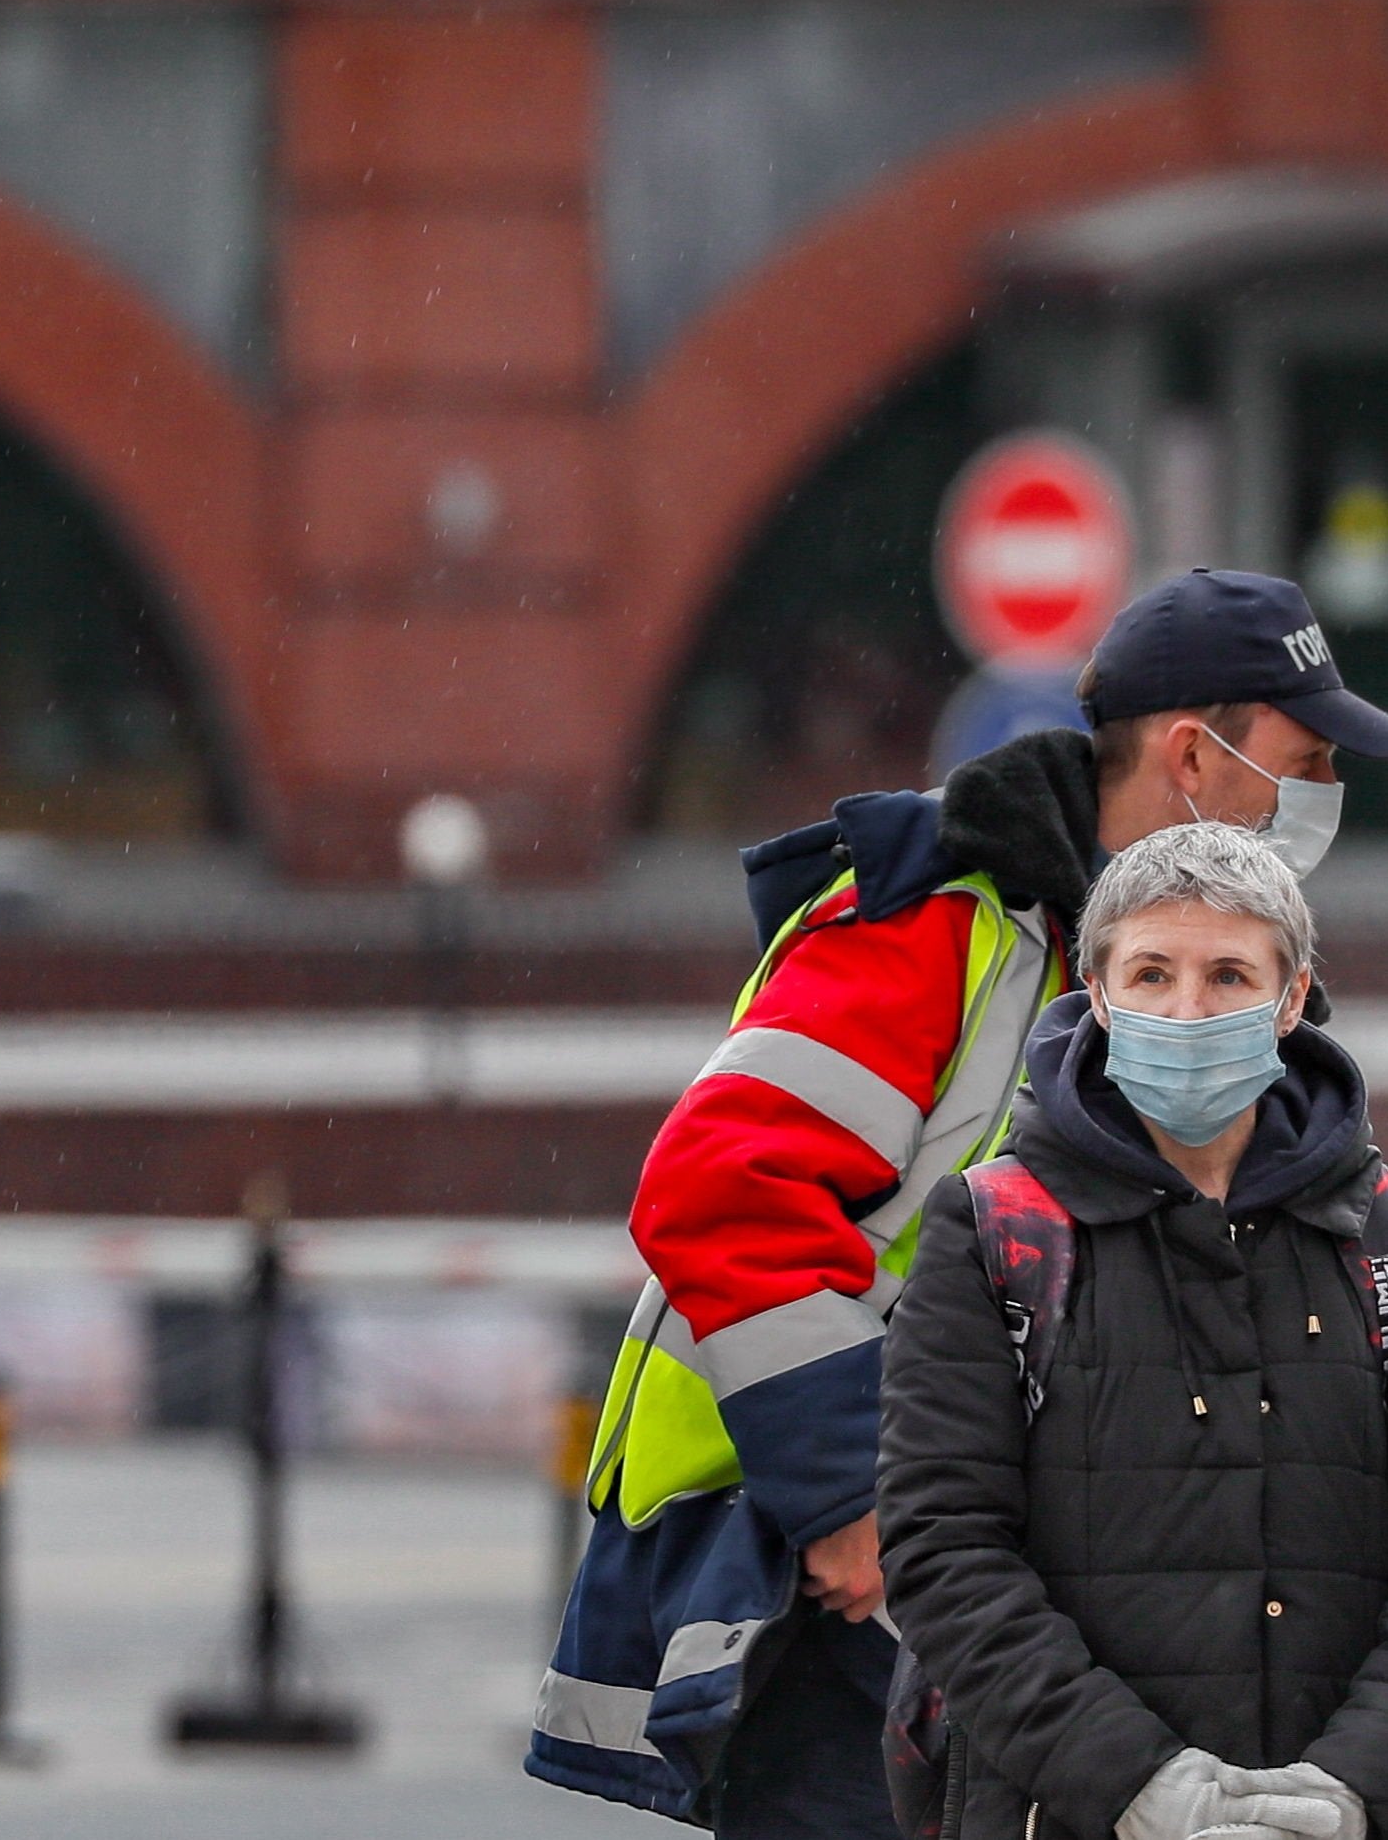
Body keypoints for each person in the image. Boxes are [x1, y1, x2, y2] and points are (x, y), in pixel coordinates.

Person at [530, 568, 1388, 1834]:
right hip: (839, 1600)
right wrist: (846, 1503)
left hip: (1009, 1611)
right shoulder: (935, 924)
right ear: (1193, 759)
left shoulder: (1185, 969)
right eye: (1301, 758)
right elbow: (721, 1193)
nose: (1322, 795)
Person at [882, 822, 1388, 1840]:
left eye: (1228, 975)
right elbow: (944, 1550)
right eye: (1150, 972)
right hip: (1068, 1812)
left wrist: (1344, 1785)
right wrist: (1139, 1787)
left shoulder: (1375, 1229)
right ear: (1100, 993)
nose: (1186, 1008)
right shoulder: (992, 1230)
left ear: (1289, 1000)